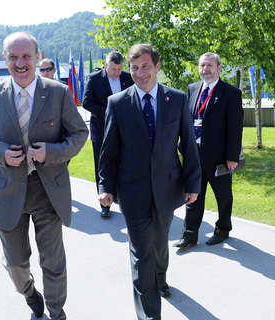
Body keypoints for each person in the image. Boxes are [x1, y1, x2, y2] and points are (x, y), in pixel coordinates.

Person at [0, 32, 88, 320]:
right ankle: (30, 294)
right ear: (5, 59)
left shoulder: (58, 92)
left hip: (48, 190)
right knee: (15, 263)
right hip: (9, 191)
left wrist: (52, 152)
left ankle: (56, 313)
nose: (20, 63)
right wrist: (1, 153)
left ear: (37, 57)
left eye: (26, 56)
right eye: (13, 57)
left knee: (53, 262)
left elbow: (79, 134)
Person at [98, 44, 201, 320]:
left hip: (168, 188)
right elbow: (108, 150)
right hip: (132, 190)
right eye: (134, 68)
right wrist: (105, 187)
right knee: (141, 253)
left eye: (145, 66)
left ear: (157, 66)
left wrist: (193, 183)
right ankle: (149, 315)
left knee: (159, 244)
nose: (139, 72)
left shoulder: (177, 99)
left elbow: (189, 145)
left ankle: (161, 276)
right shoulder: (117, 103)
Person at [173, 52, 243, 248]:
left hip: (219, 157)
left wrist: (232, 157)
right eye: (203, 65)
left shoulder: (230, 93)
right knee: (193, 195)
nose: (206, 69)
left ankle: (222, 229)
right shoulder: (192, 89)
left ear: (219, 68)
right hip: (193, 154)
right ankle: (189, 235)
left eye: (210, 65)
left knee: (223, 196)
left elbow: (235, 128)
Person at [83, 51, 134, 217]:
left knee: (123, 163)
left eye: (119, 69)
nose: (117, 73)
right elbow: (87, 103)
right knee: (102, 166)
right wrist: (111, 112)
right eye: (113, 69)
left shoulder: (128, 77)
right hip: (102, 130)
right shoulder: (94, 78)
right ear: (106, 65)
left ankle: (118, 195)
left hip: (124, 131)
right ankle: (104, 203)